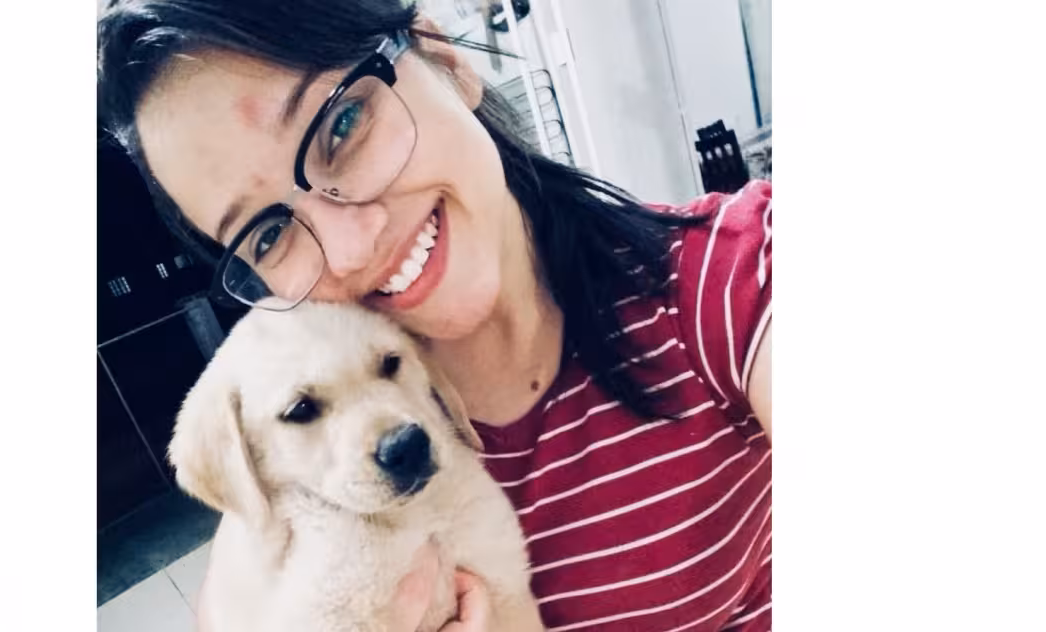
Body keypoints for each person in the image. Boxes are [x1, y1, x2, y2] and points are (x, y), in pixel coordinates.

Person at [97, 1, 772, 630]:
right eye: (267, 234)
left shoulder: (731, 278)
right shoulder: (291, 472)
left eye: (342, 124)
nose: (351, 245)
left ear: (442, 56)